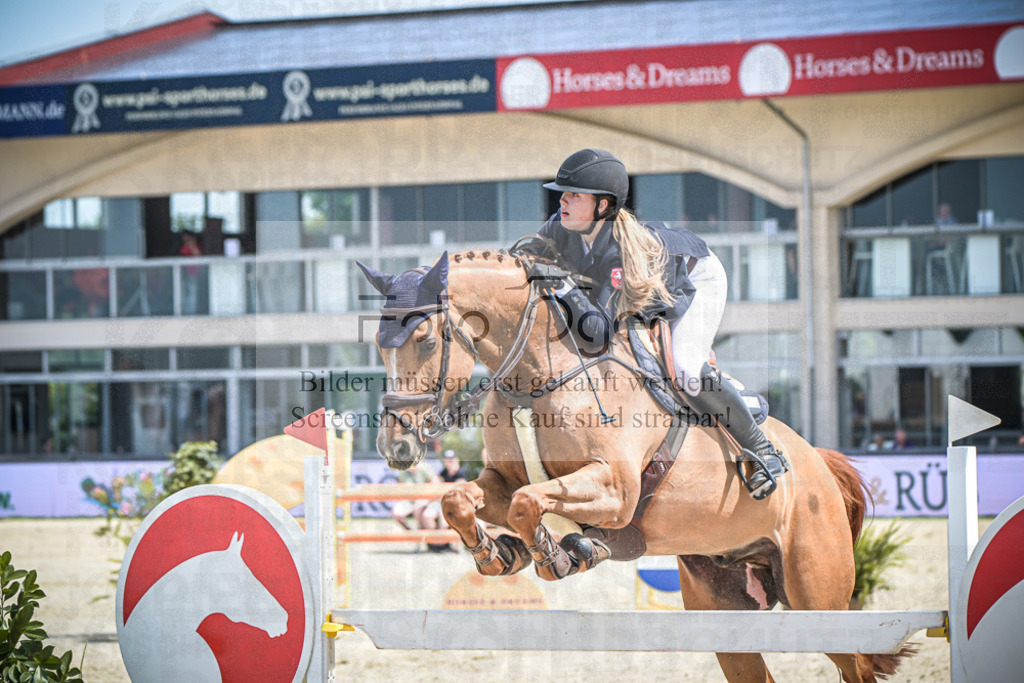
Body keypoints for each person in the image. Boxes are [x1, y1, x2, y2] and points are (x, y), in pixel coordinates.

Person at [529, 148, 787, 499]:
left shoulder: (618, 253)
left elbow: (600, 333)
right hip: (645, 285)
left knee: (685, 370)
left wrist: (563, 285)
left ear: (602, 206)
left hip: (698, 276)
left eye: (574, 195)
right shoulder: (562, 226)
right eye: (563, 193)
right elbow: (522, 257)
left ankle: (763, 451)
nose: (563, 201)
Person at [424, 450, 468, 552]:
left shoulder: (462, 471)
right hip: (443, 502)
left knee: (443, 519)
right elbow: (437, 483)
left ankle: (444, 543)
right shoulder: (444, 472)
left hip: (456, 504)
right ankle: (436, 543)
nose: (450, 462)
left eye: (452, 459)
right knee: (426, 515)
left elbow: (460, 487)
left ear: (457, 460)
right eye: (448, 460)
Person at [391, 460, 438, 533]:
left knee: (418, 510)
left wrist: (426, 494)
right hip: (408, 500)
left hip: (423, 499)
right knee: (396, 513)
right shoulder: (403, 470)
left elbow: (435, 483)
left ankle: (423, 535)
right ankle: (410, 533)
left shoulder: (425, 467)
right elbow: (400, 486)